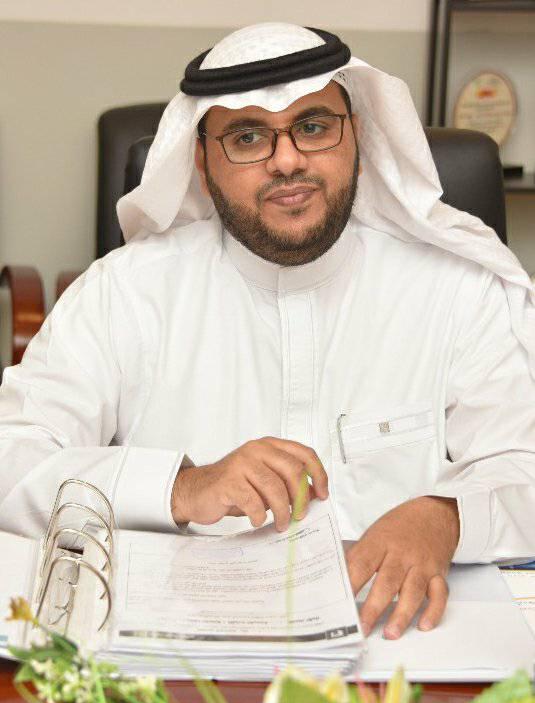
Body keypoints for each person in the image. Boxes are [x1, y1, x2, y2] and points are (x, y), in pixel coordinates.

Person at [1, 23, 535, 641]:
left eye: (314, 126)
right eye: (248, 137)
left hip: (399, 646)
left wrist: (445, 518)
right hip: (180, 659)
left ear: (357, 137)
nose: (287, 160)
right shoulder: (124, 293)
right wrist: (181, 487)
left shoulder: (458, 290)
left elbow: (521, 464)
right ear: (202, 162)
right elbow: (14, 461)